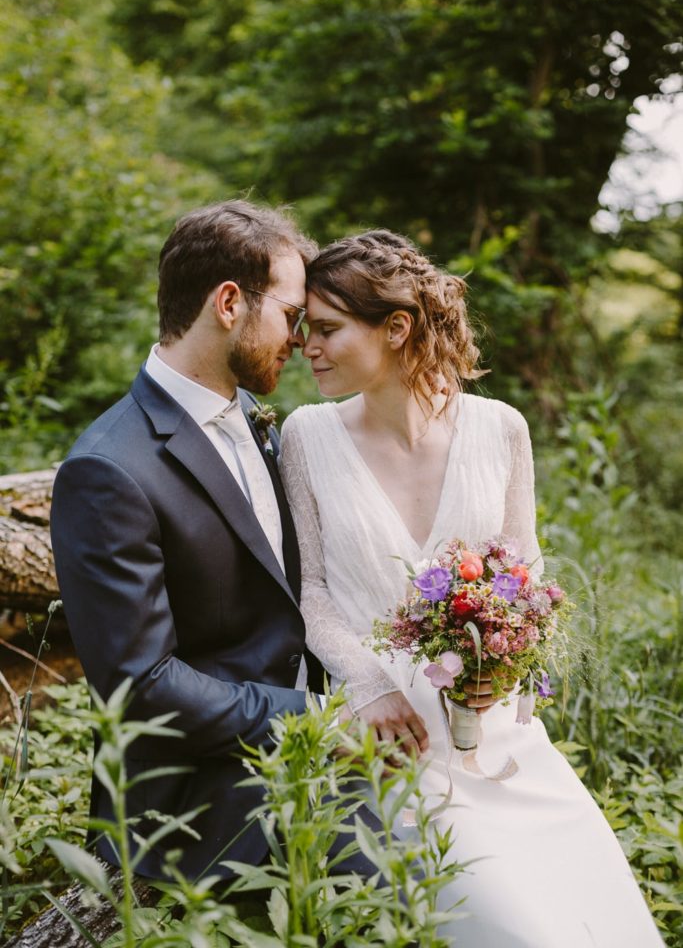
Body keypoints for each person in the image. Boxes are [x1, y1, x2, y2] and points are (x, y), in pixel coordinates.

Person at [279, 229, 664, 947]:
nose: (308, 346)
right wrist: (367, 686)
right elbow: (310, 594)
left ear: (395, 328)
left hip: (491, 728)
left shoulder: (500, 429)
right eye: (303, 328)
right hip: (386, 741)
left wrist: (503, 667)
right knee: (513, 928)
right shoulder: (306, 435)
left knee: (598, 917)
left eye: (327, 329)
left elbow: (526, 577)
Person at [51, 200, 339, 883]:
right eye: (293, 315)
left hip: (314, 759)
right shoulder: (108, 468)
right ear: (230, 302)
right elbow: (142, 687)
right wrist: (320, 722)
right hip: (199, 806)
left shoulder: (256, 415)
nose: (299, 339)